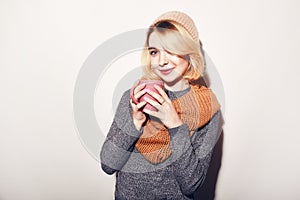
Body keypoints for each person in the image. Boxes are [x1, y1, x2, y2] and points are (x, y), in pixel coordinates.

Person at [100, 11, 223, 199]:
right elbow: (108, 164)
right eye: (154, 52)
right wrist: (135, 123)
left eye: (171, 50)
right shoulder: (135, 96)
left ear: (189, 52)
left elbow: (192, 185)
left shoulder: (207, 108)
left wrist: (175, 125)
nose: (162, 61)